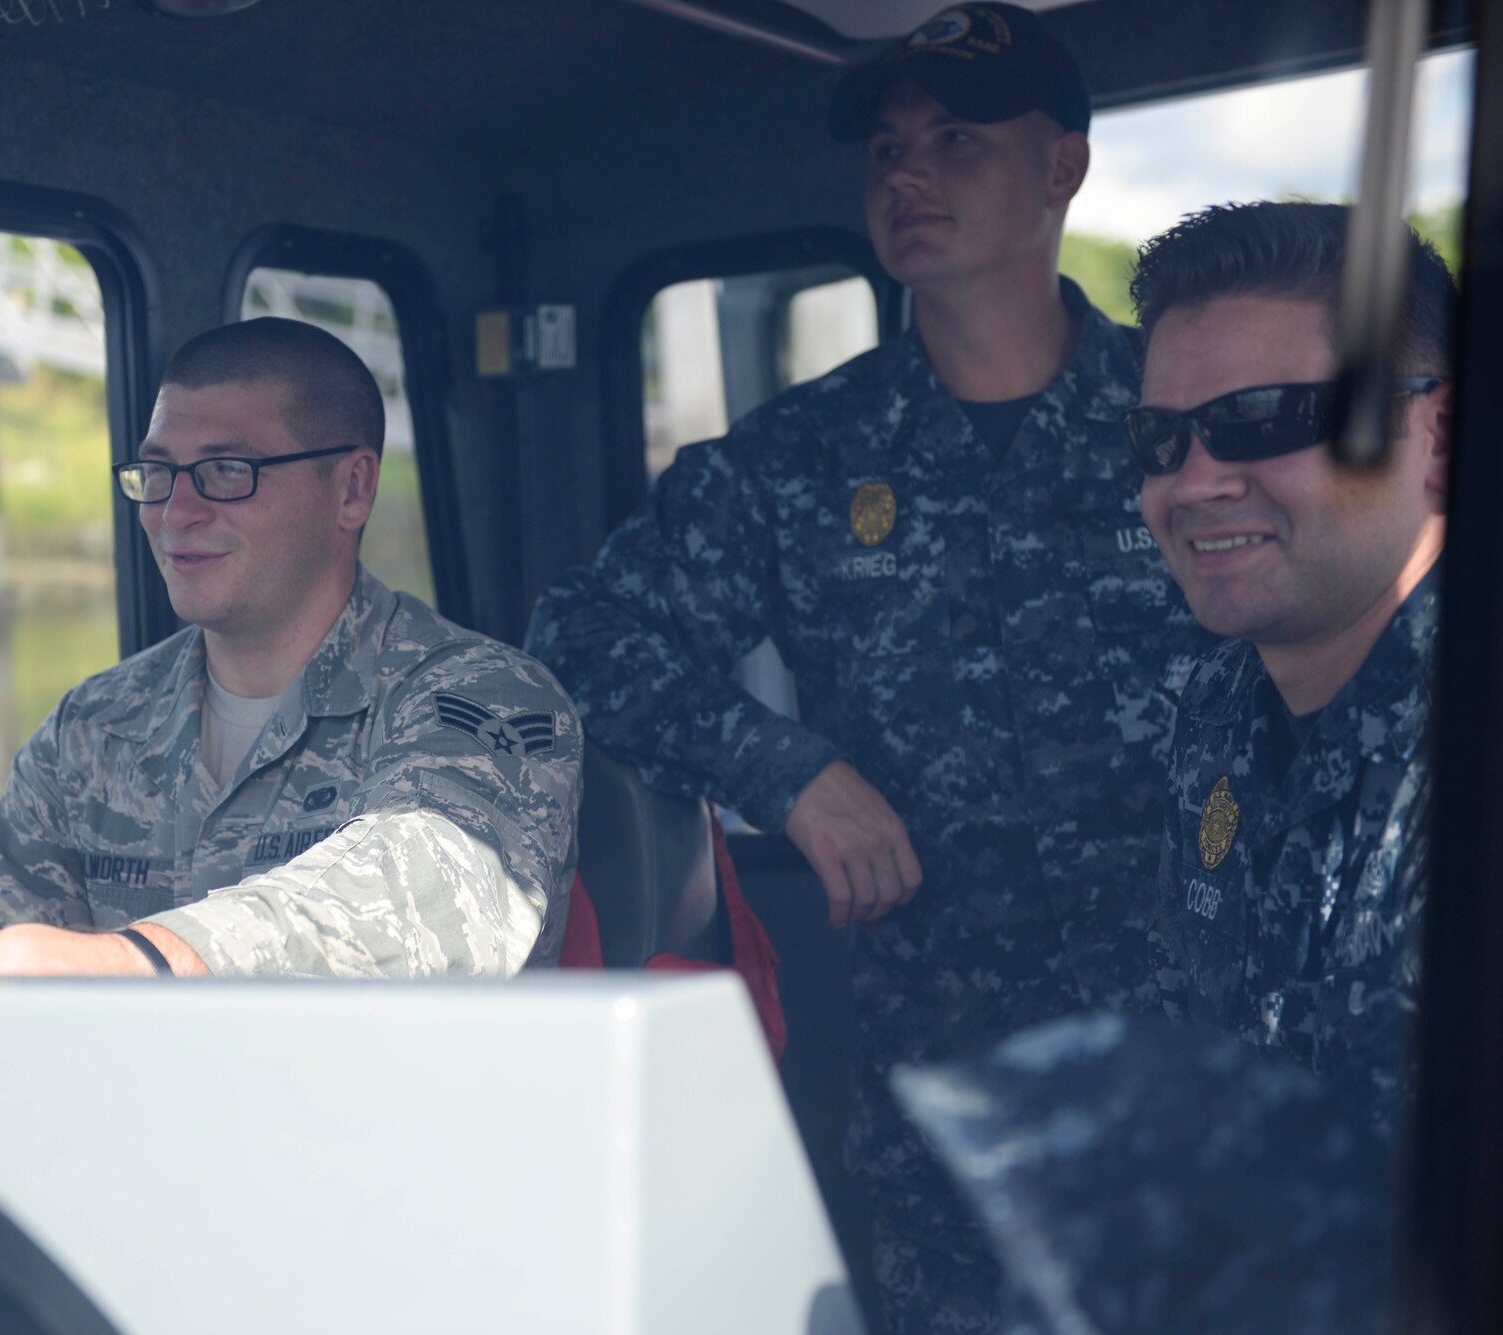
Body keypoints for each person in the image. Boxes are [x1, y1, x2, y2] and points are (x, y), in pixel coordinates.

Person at [526, 6, 1211, 1330]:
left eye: (958, 138)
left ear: (1063, 166)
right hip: (940, 1097)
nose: (908, 173)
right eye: (888, 146)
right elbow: (579, 638)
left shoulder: (1181, 423)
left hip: (1187, 1068)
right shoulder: (802, 457)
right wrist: (790, 772)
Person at [0, 317, 581, 979]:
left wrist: (141, 961)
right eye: (158, 471)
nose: (176, 512)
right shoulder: (90, 731)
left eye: (226, 470)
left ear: (351, 490)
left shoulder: (486, 697)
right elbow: (13, 971)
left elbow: (419, 901)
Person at [1131, 201, 1453, 1141]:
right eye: (1161, 438)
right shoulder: (1219, 706)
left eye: (1262, 419)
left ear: (1438, 438)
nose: (1194, 482)